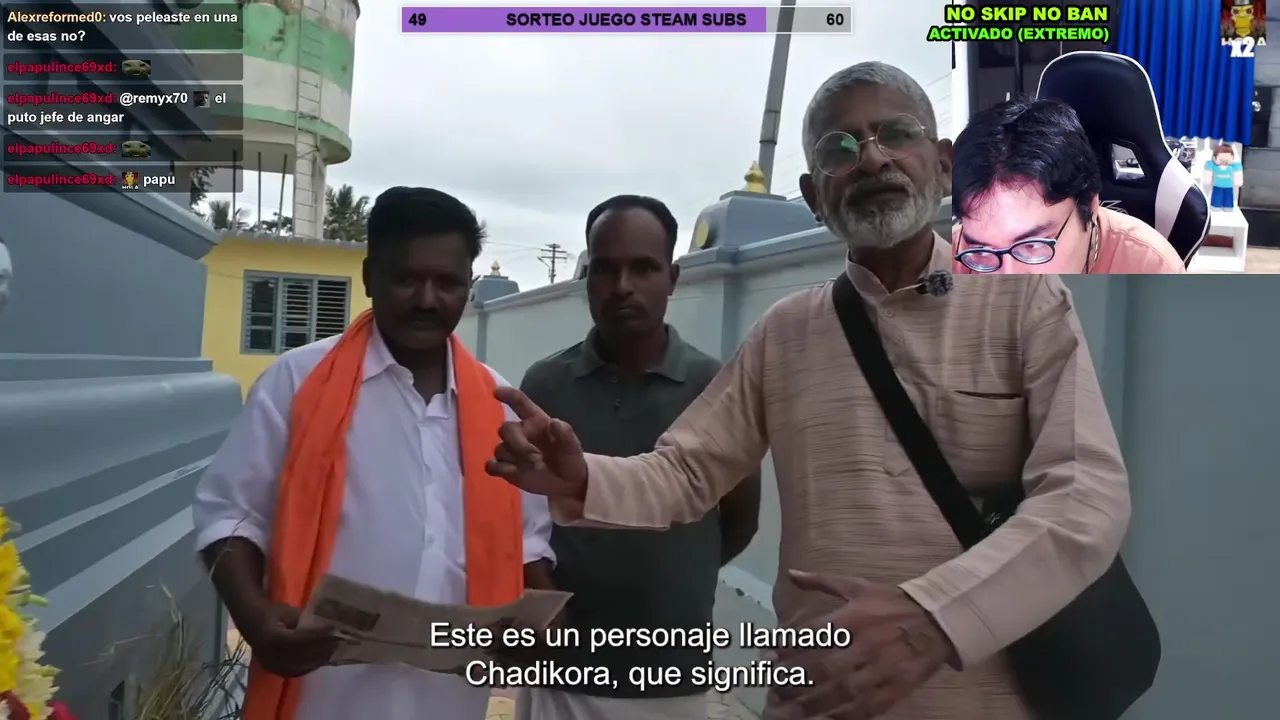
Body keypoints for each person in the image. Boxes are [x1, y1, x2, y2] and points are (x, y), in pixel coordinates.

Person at [487, 62, 1132, 720]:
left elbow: (1084, 498)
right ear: (815, 196)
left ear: (944, 166)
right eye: (839, 148)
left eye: (895, 134)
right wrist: (582, 479)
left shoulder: (1024, 304)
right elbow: (686, 472)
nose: (871, 158)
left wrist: (935, 619)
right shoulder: (787, 332)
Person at [192, 187, 556, 720]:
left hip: (449, 702)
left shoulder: (498, 403)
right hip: (319, 697)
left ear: (469, 286)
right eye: (407, 278)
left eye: (448, 283)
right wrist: (255, 620)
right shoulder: (297, 384)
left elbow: (528, 542)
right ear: (369, 276)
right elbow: (229, 515)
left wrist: (542, 626)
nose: (427, 299)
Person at [515, 195, 761, 720]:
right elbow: (518, 522)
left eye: (644, 268)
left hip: (673, 677)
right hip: (562, 673)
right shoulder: (545, 386)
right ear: (588, 280)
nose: (623, 286)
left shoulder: (716, 386)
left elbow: (739, 519)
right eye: (605, 269)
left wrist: (672, 569)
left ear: (672, 278)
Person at [952, 97, 1184, 274]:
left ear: (1090, 206)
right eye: (982, 251)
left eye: (1032, 246)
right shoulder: (952, 255)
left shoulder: (1151, 268)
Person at [1203, 143, 1244, 210]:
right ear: (1214, 158)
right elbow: (1208, 171)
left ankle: (1228, 207)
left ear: (1232, 158)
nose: (1224, 161)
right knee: (1216, 197)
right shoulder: (1214, 166)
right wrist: (1207, 180)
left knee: (1228, 197)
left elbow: (1237, 172)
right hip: (1217, 186)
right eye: (1221, 159)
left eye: (1227, 159)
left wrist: (1238, 181)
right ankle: (1215, 206)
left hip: (1229, 186)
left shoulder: (1233, 167)